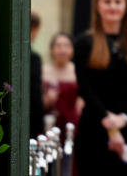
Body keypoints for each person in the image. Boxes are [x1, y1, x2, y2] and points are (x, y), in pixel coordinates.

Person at [72, 0, 127, 176]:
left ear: (125, 7)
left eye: (117, 2)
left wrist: (124, 118)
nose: (113, 6)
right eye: (107, 1)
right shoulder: (84, 43)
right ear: (97, 6)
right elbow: (85, 88)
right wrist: (110, 125)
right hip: (95, 129)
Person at [43, 32, 81, 176]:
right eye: (58, 46)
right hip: (50, 123)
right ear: (52, 49)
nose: (62, 50)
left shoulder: (77, 71)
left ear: (72, 50)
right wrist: (46, 100)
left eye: (66, 45)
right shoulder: (44, 70)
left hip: (71, 123)